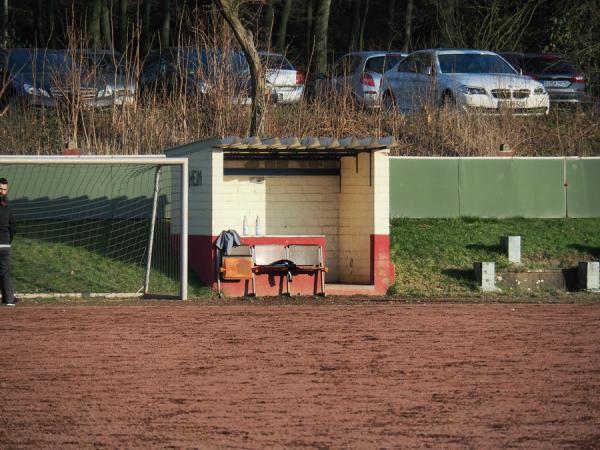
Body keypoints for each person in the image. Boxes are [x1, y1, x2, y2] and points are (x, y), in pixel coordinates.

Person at [0, 177, 17, 306]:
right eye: (0, 188)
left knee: (4, 271)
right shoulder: (7, 207)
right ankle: (9, 299)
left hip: (4, 244)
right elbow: (13, 228)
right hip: (5, 244)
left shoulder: (8, 208)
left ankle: (9, 299)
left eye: (4, 189)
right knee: (4, 271)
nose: (2, 191)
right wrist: (8, 240)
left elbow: (13, 226)